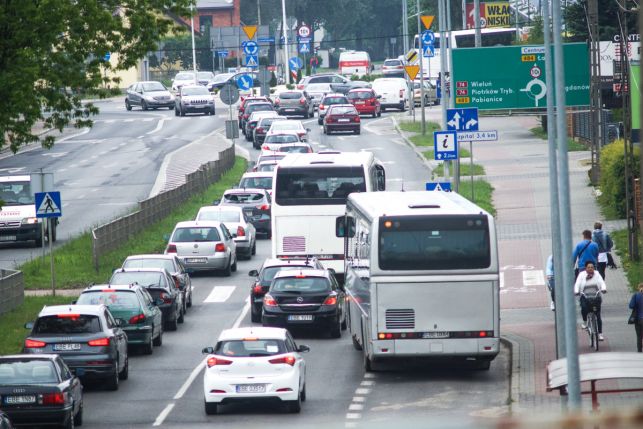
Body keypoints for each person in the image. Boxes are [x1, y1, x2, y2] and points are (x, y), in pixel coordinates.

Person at [574, 261, 607, 340]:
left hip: (595, 296)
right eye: (588, 267)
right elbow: (577, 283)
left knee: (598, 315)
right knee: (584, 308)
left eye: (592, 267)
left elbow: (602, 282)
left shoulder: (597, 274)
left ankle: (600, 334)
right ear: (585, 268)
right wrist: (576, 291)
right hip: (585, 296)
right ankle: (585, 322)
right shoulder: (582, 275)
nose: (590, 269)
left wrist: (603, 289)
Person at [628, 283, 643, 352]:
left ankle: (639, 351)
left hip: (639, 319)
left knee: (639, 336)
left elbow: (631, 306)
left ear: (639, 288)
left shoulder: (636, 295)